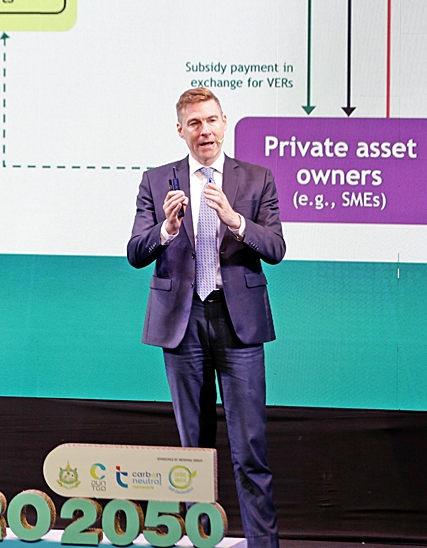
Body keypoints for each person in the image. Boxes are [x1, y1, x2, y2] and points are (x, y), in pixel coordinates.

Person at [127, 87, 285, 548]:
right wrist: (166, 229)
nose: (205, 130)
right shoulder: (157, 181)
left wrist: (236, 220)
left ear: (224, 122)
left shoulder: (256, 178)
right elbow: (135, 252)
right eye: (194, 123)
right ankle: (199, 542)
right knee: (192, 454)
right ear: (181, 130)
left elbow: (275, 248)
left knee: (250, 448)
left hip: (238, 325)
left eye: (212, 120)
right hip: (183, 324)